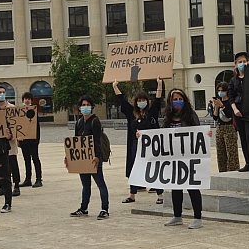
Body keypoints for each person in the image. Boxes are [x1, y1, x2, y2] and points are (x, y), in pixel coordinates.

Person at [161, 89, 211, 229]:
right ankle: (177, 216)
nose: (177, 101)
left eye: (180, 99)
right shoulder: (168, 117)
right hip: (175, 158)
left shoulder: (190, 115)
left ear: (184, 100)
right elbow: (162, 135)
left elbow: (198, 132)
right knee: (176, 187)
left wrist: (206, 134)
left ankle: (197, 218)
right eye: (175, 99)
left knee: (192, 187)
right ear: (170, 102)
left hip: (189, 158)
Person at [113, 76, 164, 204]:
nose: (141, 102)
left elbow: (158, 99)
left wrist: (159, 84)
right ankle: (132, 194)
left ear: (147, 101)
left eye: (143, 100)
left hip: (150, 145)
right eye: (139, 100)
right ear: (136, 102)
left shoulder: (151, 112)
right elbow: (122, 100)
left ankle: (160, 195)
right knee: (134, 168)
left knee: (154, 167)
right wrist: (115, 86)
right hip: (136, 145)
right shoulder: (132, 113)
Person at [67, 95, 110, 220]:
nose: (85, 107)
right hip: (83, 158)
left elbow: (96, 140)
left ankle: (105, 209)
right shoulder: (79, 122)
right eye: (83, 105)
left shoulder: (95, 121)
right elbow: (76, 142)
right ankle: (83, 208)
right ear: (79, 107)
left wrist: (97, 156)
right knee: (85, 185)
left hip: (94, 157)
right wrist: (68, 157)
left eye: (87, 105)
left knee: (100, 183)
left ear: (92, 107)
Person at [229, 51, 249, 172]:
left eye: (244, 61)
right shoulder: (233, 80)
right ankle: (248, 162)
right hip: (238, 111)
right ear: (236, 64)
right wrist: (235, 109)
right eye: (240, 62)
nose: (242, 63)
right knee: (243, 137)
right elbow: (231, 97)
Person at [0, 85, 21, 196]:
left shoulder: (12, 107)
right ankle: (3, 186)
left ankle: (17, 186)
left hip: (10, 141)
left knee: (13, 164)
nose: (1, 94)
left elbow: (17, 124)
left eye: (3, 92)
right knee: (1, 166)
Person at [212, 81, 240, 172]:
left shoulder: (230, 102)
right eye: (219, 90)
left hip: (229, 127)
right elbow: (215, 117)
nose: (220, 92)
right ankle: (222, 171)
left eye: (222, 90)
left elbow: (229, 115)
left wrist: (222, 106)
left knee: (231, 152)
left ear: (227, 91)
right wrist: (216, 107)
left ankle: (233, 170)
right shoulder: (218, 101)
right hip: (220, 128)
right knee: (221, 152)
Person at [18, 92, 43, 188]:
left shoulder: (34, 111)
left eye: (28, 99)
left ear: (31, 100)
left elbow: (36, 127)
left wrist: (37, 139)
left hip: (33, 140)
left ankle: (38, 179)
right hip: (24, 140)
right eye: (25, 99)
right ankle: (28, 179)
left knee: (35, 158)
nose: (27, 100)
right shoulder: (20, 111)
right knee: (26, 160)